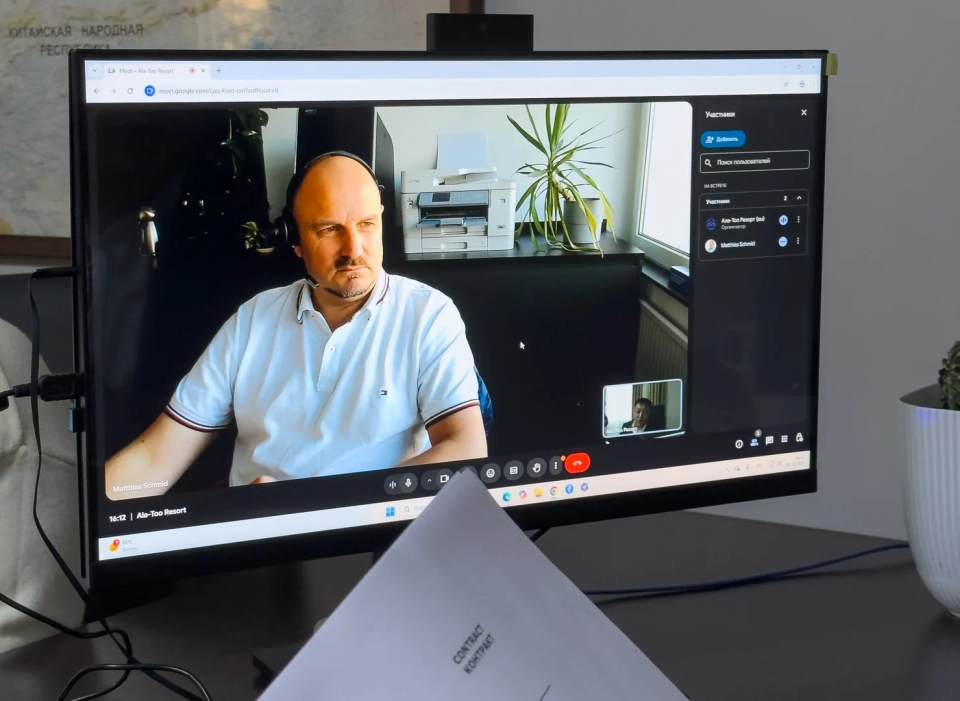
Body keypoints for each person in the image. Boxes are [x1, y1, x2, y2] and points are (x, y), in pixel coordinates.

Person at [105, 152, 487, 500]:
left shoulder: (428, 313)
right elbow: (155, 460)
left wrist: (313, 506)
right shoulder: (252, 320)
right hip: (257, 536)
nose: (354, 249)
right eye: (329, 229)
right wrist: (96, 515)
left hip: (375, 528)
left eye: (367, 224)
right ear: (295, 239)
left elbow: (465, 448)